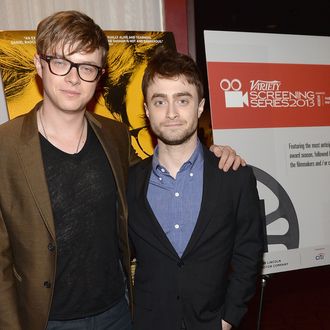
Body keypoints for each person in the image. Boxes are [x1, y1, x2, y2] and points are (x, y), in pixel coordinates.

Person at [0, 10, 245, 330]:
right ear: (38, 65)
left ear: (99, 75)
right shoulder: (5, 147)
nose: (74, 78)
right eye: (61, 62)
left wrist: (210, 156)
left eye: (86, 66)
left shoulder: (114, 136)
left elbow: (160, 174)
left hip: (118, 313)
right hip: (46, 320)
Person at [127, 48, 264, 330]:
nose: (172, 113)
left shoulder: (234, 177)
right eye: (160, 101)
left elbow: (249, 253)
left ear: (200, 107)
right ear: (147, 110)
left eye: (183, 99)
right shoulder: (128, 182)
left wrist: (228, 318)